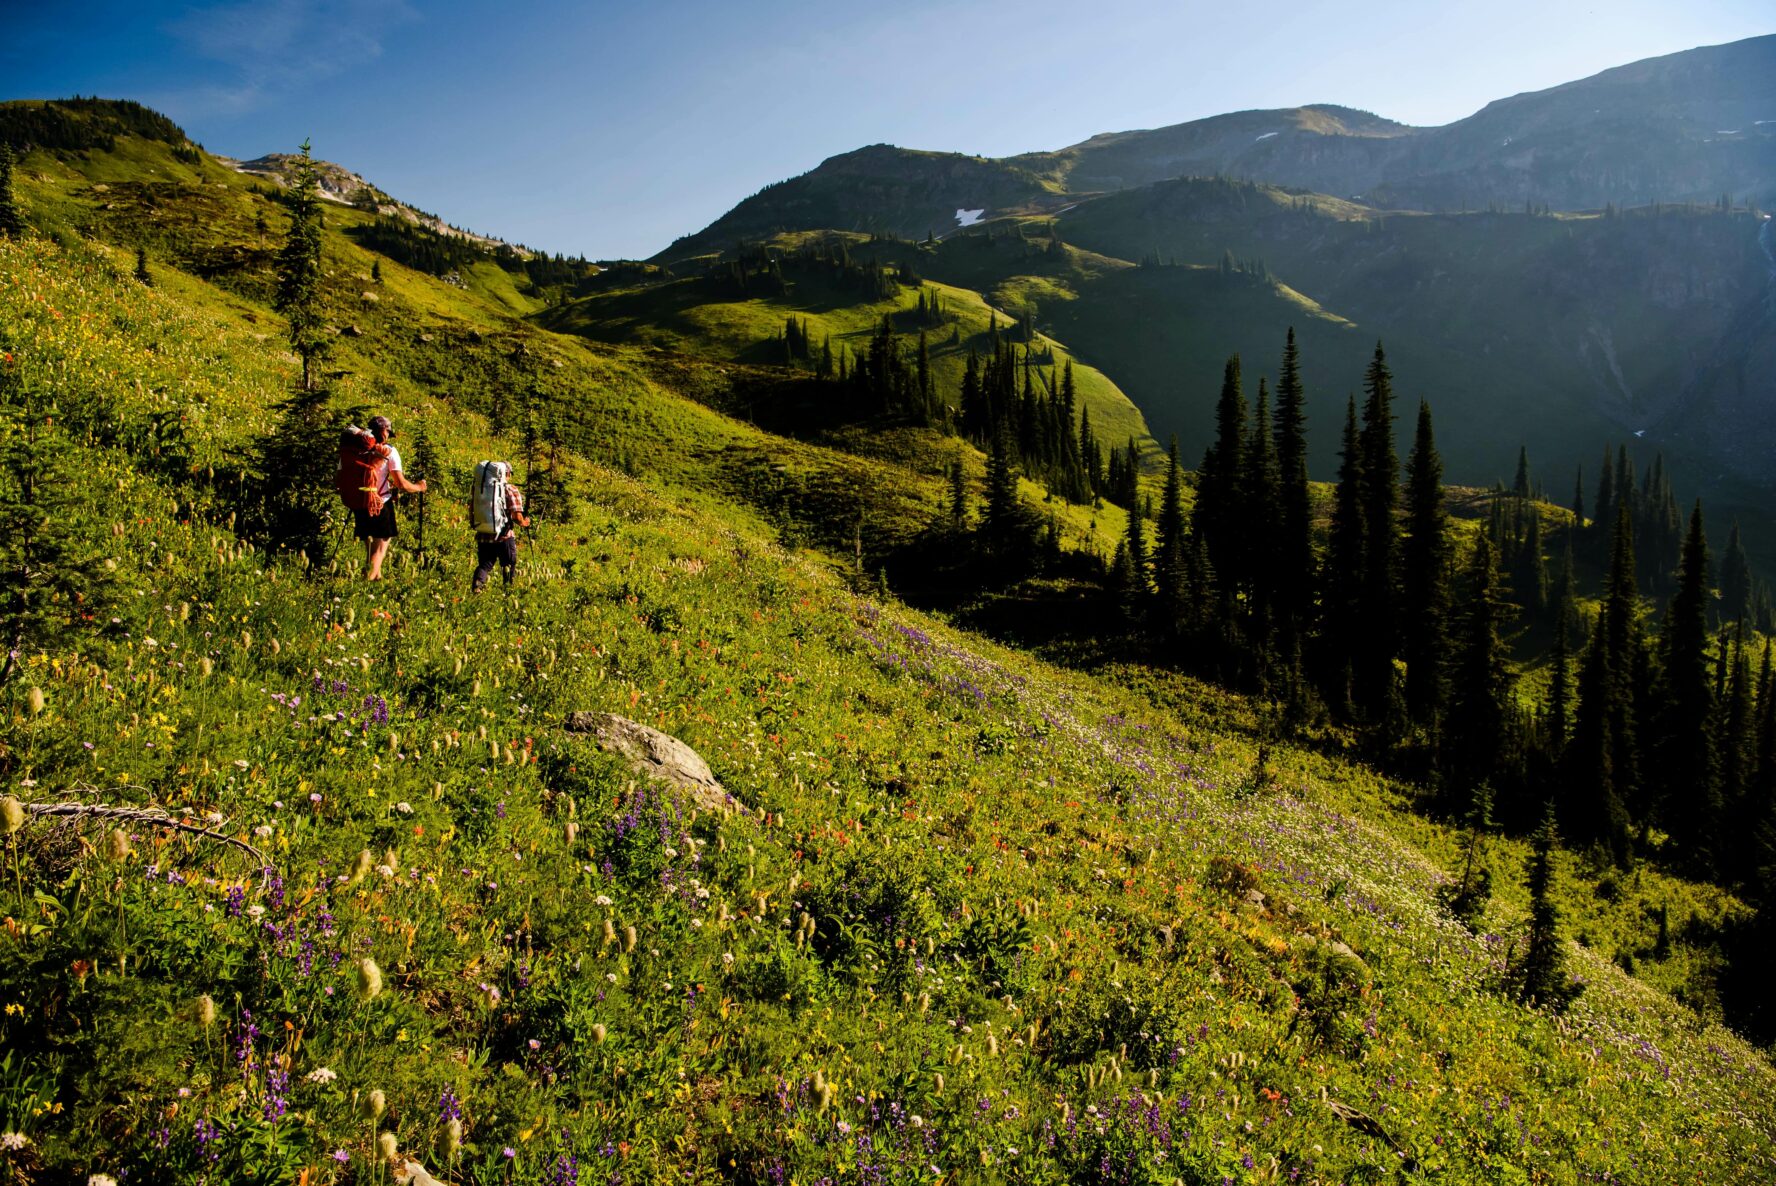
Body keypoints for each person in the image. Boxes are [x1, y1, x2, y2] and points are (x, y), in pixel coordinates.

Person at [356, 415, 427, 581]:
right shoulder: (389, 451)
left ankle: (376, 581)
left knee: (370, 549)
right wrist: (419, 487)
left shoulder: (356, 449)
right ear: (384, 432)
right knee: (379, 549)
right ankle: (363, 586)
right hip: (380, 503)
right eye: (388, 431)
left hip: (360, 502)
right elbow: (402, 484)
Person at [471, 460, 529, 592]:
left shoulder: (478, 488)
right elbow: (516, 516)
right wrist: (524, 523)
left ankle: (478, 585)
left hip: (483, 533)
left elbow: (472, 508)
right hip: (504, 536)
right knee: (508, 564)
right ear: (506, 473)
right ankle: (507, 592)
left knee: (485, 565)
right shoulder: (510, 489)